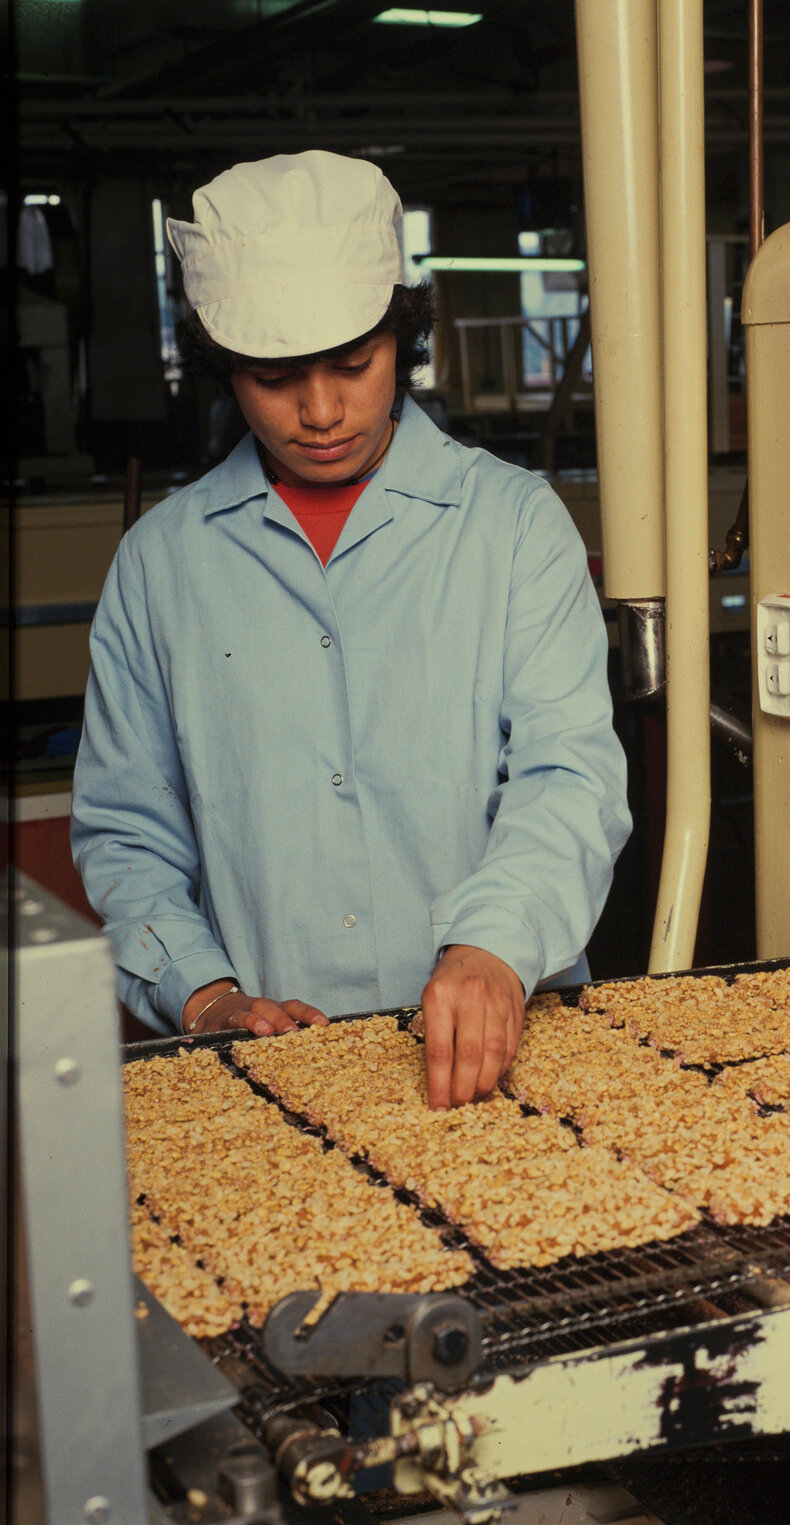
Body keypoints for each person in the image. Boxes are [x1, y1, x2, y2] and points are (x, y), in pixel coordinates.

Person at [71, 151, 630, 1109]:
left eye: (353, 365)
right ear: (223, 368)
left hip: (512, 1059)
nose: (321, 411)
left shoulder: (511, 526)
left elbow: (567, 775)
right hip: (273, 1080)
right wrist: (203, 994)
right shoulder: (161, 566)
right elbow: (128, 831)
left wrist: (495, 943)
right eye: (276, 377)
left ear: (402, 335)